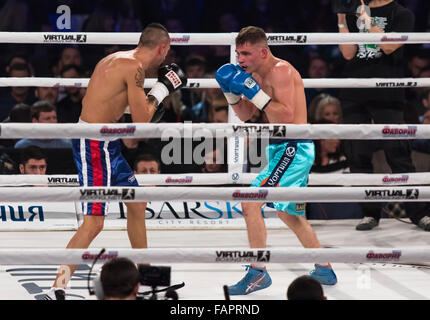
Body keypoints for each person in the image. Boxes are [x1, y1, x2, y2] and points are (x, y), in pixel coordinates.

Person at [43, 22, 186, 300]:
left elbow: (125, 113)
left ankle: (145, 280)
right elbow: (142, 121)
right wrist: (164, 88)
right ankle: (57, 287)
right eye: (166, 54)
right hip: (95, 144)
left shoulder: (116, 59)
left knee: (136, 202)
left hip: (106, 143)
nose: (166, 60)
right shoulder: (133, 68)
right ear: (162, 48)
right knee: (94, 223)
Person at [215, 26, 337, 296]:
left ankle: (258, 273)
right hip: (282, 148)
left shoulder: (281, 70)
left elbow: (285, 115)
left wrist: (253, 90)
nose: (241, 59)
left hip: (293, 147)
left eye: (246, 53)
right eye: (238, 54)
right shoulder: (253, 74)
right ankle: (325, 269)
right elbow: (247, 115)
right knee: (289, 214)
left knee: (250, 203)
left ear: (263, 51)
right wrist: (231, 92)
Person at [337, 0, 430, 231]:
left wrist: (366, 18)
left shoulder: (401, 14)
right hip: (354, 89)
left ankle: (418, 213)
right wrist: (341, 17)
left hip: (387, 90)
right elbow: (348, 53)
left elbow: (388, 47)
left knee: (397, 152)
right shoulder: (353, 9)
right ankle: (369, 214)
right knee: (356, 152)